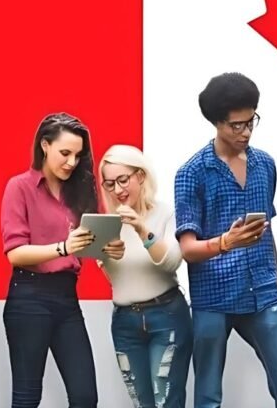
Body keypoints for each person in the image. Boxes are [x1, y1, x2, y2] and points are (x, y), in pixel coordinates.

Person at [174, 72, 277, 408]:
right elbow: (187, 249)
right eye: (237, 125)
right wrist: (226, 243)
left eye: (251, 122)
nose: (246, 132)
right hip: (212, 300)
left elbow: (267, 233)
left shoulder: (265, 165)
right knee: (207, 398)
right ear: (216, 123)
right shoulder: (192, 173)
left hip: (263, 294)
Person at [0, 112, 125, 408]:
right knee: (27, 398)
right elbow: (15, 253)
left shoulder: (80, 192)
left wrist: (108, 250)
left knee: (84, 397)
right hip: (29, 297)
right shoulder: (19, 187)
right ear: (45, 145)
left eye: (77, 155)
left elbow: (86, 249)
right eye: (65, 153)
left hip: (67, 299)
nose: (71, 162)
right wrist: (63, 247)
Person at [98, 144, 192, 408]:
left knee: (167, 402)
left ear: (140, 176)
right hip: (124, 321)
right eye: (109, 184)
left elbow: (172, 263)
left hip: (166, 316)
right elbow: (118, 281)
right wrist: (103, 255)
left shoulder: (165, 213)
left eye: (123, 180)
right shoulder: (106, 223)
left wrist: (141, 229)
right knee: (142, 403)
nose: (117, 190)